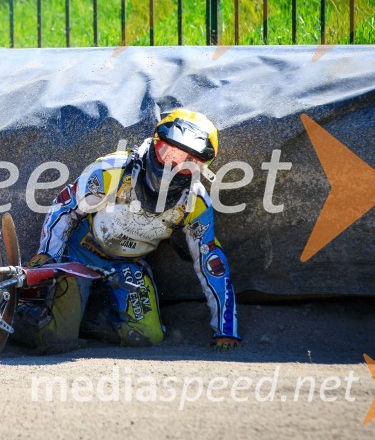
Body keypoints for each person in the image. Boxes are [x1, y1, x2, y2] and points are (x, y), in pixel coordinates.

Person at [13, 108, 240, 353]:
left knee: (147, 336)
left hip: (128, 266)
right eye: (169, 152)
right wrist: (48, 255)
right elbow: (65, 208)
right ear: (155, 142)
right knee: (55, 339)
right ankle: (23, 315)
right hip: (79, 256)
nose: (174, 166)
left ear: (202, 167)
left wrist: (226, 329)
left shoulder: (196, 202)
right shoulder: (112, 170)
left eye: (188, 162)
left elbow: (210, 262)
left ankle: (88, 314)